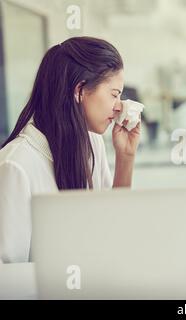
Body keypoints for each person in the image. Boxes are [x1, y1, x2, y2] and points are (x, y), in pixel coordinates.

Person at [0, 37, 140, 263]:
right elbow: (8, 276)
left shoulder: (92, 143)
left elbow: (113, 231)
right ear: (79, 90)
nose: (119, 107)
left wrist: (126, 158)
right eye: (114, 94)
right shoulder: (15, 166)